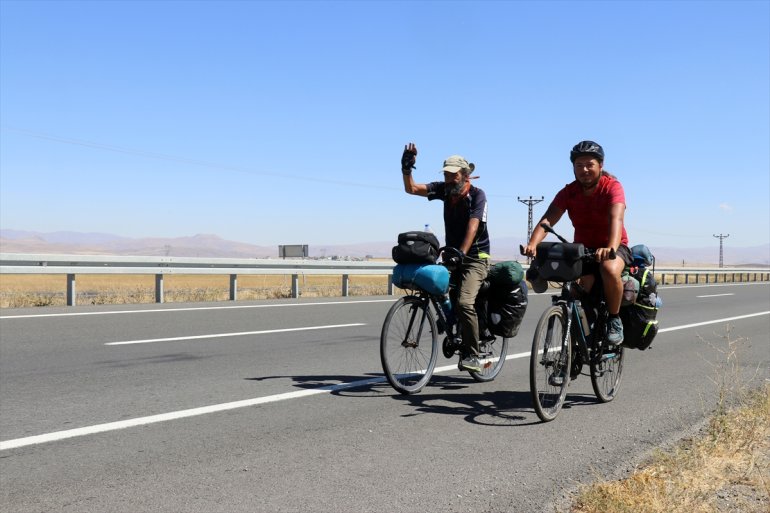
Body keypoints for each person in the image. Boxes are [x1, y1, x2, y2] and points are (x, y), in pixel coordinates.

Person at [523, 140, 632, 346]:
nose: (584, 170)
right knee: (576, 293)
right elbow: (548, 219)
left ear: (600, 165)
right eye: (579, 165)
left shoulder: (612, 187)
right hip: (582, 250)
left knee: (609, 269)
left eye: (589, 164)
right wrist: (532, 244)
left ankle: (614, 319)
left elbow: (616, 219)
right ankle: (576, 344)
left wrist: (610, 248)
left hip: (614, 247)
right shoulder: (569, 192)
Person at [400, 142, 491, 372]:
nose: (449, 179)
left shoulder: (477, 196)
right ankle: (452, 324)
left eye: (453, 175)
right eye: (447, 175)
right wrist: (407, 168)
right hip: (453, 256)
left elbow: (473, 226)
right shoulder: (444, 190)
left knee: (463, 302)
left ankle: (473, 354)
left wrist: (461, 252)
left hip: (475, 258)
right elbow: (411, 189)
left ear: (465, 175)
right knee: (435, 287)